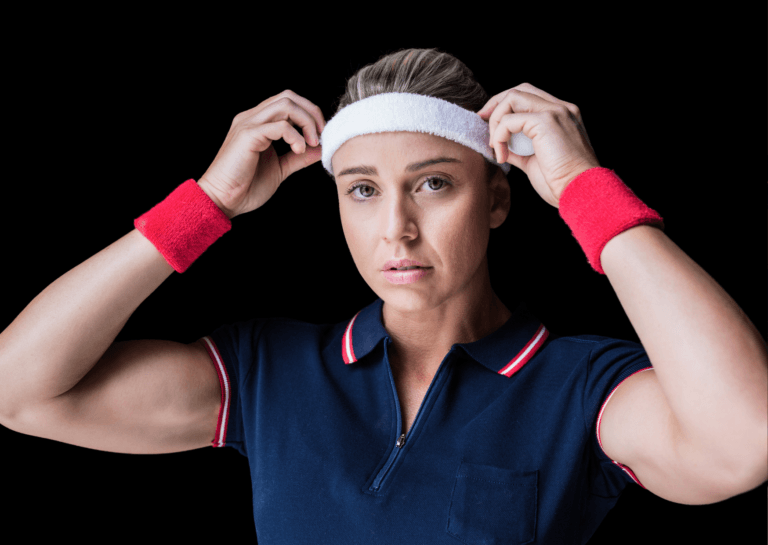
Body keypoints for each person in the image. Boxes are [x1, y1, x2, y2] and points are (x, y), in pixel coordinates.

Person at [0, 47, 765, 544]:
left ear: (498, 200)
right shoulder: (272, 368)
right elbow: (20, 388)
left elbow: (747, 438)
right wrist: (205, 205)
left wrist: (580, 191)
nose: (395, 227)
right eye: (362, 190)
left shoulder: (584, 388)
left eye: (433, 184)